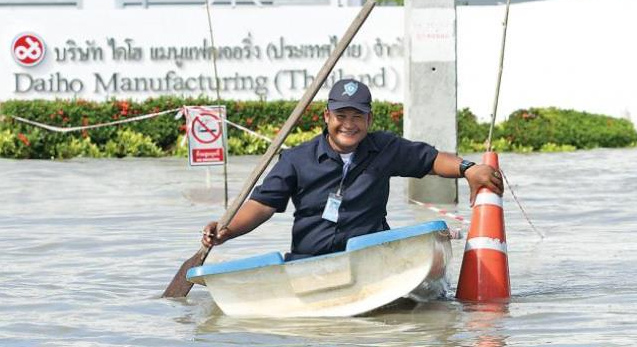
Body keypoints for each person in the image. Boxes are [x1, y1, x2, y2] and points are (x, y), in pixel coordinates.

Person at [202, 79, 503, 260]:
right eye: (341, 115)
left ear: (369, 120)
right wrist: (227, 231)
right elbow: (262, 205)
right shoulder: (296, 159)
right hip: (312, 260)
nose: (349, 124)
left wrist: (468, 168)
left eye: (357, 116)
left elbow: (431, 160)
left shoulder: (385, 148)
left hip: (371, 258)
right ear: (326, 117)